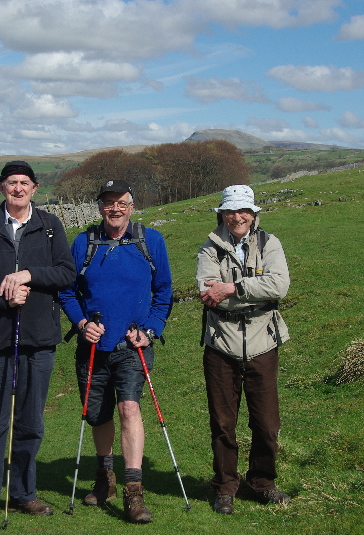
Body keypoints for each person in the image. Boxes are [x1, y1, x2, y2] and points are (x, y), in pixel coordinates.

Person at [0, 160, 75, 525]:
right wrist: (1, 295)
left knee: (30, 422)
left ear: (35, 189)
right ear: (1, 188)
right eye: (12, 182)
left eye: (25, 182)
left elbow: (66, 272)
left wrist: (28, 274)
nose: (18, 188)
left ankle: (25, 494)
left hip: (39, 339)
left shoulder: (51, 226)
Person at [59, 180, 173, 524]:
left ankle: (133, 491)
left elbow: (164, 292)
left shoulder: (150, 240)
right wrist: (81, 324)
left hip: (132, 346)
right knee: (98, 415)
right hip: (93, 346)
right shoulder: (84, 242)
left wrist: (151, 330)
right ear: (99, 207)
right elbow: (66, 292)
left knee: (129, 408)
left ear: (132, 205)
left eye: (121, 202)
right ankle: (105, 478)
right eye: (108, 203)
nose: (115, 209)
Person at [196, 184, 291, 514]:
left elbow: (279, 285)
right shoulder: (209, 248)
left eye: (244, 211)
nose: (238, 217)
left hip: (263, 342)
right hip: (220, 344)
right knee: (223, 423)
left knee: (266, 422)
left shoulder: (269, 243)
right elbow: (207, 292)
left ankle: (262, 483)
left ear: (253, 214)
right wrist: (251, 291)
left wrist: (232, 288)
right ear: (222, 213)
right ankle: (225, 487)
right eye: (231, 211)